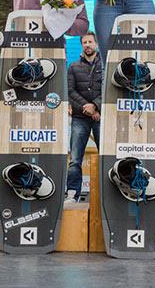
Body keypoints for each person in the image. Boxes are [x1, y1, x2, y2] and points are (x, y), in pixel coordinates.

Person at [65, 32, 103, 202]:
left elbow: (108, 90)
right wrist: (87, 108)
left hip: (100, 117)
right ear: (82, 45)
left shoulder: (106, 65)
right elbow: (70, 91)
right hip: (80, 117)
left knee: (106, 156)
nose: (87, 45)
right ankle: (73, 192)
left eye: (90, 42)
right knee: (75, 158)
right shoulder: (73, 66)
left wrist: (95, 106)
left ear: (96, 44)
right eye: (84, 42)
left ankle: (105, 193)